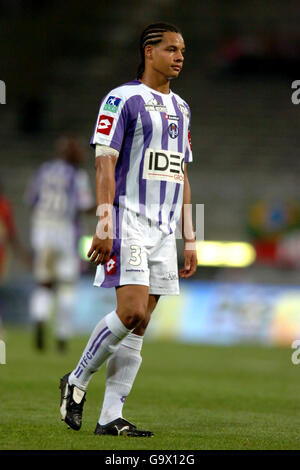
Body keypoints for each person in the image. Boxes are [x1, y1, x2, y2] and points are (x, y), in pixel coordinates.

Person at [59, 22, 197, 437]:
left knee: (142, 323)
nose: (179, 56)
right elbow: (104, 162)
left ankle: (109, 417)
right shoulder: (122, 99)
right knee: (131, 310)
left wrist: (191, 236)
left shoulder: (184, 108)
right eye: (171, 49)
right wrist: (105, 224)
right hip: (128, 218)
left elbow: (182, 173)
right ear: (148, 51)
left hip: (164, 227)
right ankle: (77, 380)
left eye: (183, 51)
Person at [26, 136, 95, 352]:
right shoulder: (77, 175)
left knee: (44, 283)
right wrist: (103, 205)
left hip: (42, 231)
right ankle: (62, 336)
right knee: (67, 285)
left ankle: (39, 317)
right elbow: (83, 206)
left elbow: (31, 200)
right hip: (66, 233)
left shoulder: (44, 170)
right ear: (71, 154)